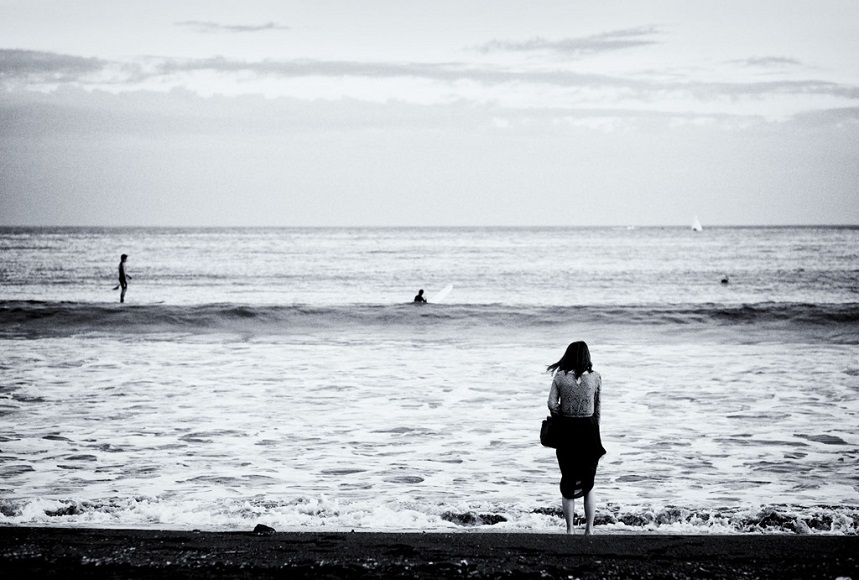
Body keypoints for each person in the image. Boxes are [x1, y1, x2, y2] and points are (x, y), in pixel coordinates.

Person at [546, 341, 606, 535]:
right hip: (589, 431)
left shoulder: (560, 378)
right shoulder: (596, 378)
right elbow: (597, 409)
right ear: (587, 356)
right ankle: (589, 529)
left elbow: (551, 404)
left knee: (568, 480)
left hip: (567, 431)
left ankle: (570, 529)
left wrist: (562, 415)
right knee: (589, 483)